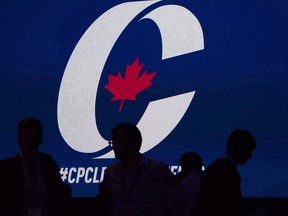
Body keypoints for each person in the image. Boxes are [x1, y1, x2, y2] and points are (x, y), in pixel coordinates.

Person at [102, 122, 189, 216]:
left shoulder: (157, 170)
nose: (114, 145)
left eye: (119, 140)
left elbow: (180, 197)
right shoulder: (110, 173)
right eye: (113, 141)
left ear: (134, 141)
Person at [0, 117, 72, 216]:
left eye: (33, 139)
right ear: (19, 140)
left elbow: (62, 194)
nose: (29, 144)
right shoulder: (6, 169)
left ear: (40, 139)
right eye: (25, 139)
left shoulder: (48, 165)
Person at [198, 129, 256, 216]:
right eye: (248, 151)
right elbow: (229, 206)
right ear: (239, 149)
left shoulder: (215, 167)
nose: (250, 156)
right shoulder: (227, 171)